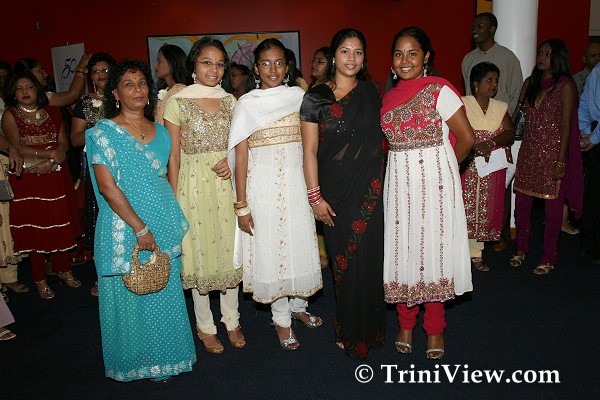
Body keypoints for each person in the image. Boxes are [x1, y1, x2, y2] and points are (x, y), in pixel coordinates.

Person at [86, 59, 195, 382]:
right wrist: (139, 227)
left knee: (163, 291)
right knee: (129, 297)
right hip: (124, 225)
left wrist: (169, 220)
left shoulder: (161, 132)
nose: (137, 89)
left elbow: (168, 178)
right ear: (115, 93)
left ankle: (166, 361)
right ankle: (134, 362)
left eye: (142, 83)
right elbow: (107, 187)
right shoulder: (103, 133)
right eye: (128, 84)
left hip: (162, 219)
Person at [381, 27, 474, 360]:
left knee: (434, 252)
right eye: (398, 54)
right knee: (403, 252)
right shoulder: (387, 97)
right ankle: (405, 324)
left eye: (413, 53)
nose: (405, 60)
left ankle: (434, 327)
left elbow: (467, 139)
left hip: (435, 187)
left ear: (426, 57)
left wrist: (443, 172)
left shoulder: (440, 90)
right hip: (399, 187)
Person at [229, 38, 323, 351]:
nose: (273, 69)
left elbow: (311, 147)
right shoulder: (247, 104)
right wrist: (242, 205)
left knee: (298, 245)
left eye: (279, 63)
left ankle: (299, 307)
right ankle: (281, 319)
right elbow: (240, 156)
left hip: (297, 186)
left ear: (287, 66)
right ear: (256, 68)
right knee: (272, 251)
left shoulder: (299, 97)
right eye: (266, 63)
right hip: (262, 188)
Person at [301, 28, 386, 359]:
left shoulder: (373, 93)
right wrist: (315, 198)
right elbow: (309, 151)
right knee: (344, 264)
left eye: (358, 52)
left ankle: (371, 329)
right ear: (334, 56)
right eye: (345, 51)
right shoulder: (316, 97)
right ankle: (349, 329)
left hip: (370, 190)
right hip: (334, 194)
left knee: (370, 261)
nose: (352, 58)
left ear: (364, 58)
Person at [163, 37, 244, 354]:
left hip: (225, 187)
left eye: (220, 64)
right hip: (192, 187)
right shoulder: (178, 101)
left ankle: (232, 320)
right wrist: (173, 201)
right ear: (193, 65)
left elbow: (241, 147)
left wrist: (231, 160)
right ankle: (205, 326)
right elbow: (173, 156)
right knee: (198, 253)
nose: (214, 69)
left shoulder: (231, 102)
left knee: (228, 251)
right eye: (207, 62)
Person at [2, 71, 82, 299]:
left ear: (37, 89)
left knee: (59, 221)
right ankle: (39, 278)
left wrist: (51, 161)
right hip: (26, 177)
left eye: (29, 87)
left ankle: (63, 269)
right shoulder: (10, 115)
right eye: (19, 88)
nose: (25, 92)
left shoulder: (53, 111)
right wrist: (47, 155)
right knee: (34, 227)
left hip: (54, 173)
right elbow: (15, 147)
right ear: (13, 93)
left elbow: (64, 143)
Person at [511, 39, 583, 275]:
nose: (541, 57)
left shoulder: (565, 86)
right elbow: (517, 115)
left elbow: (566, 126)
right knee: (522, 206)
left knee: (552, 211)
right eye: (540, 53)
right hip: (529, 152)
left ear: (558, 57)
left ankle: (548, 256)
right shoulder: (530, 83)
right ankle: (521, 248)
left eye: (547, 54)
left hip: (552, 155)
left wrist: (561, 161)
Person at [462, 12, 523, 253]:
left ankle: (501, 235)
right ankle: (469, 241)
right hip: (474, 128)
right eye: (473, 25)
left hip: (499, 127)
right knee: (469, 192)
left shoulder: (508, 58)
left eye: (480, 26)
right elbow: (468, 95)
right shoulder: (468, 59)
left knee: (499, 191)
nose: (475, 29)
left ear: (492, 28)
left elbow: (515, 95)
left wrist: (500, 127)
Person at [461, 62, 515, 272]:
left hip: (490, 165)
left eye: (496, 81)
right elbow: (455, 131)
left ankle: (477, 253)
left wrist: (490, 142)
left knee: (485, 207)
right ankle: (461, 253)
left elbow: (509, 133)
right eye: (489, 80)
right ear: (476, 84)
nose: (494, 85)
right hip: (468, 162)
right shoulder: (463, 104)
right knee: (465, 206)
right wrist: (474, 145)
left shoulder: (500, 107)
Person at [70, 53, 116, 296]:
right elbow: (75, 138)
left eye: (105, 70)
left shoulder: (123, 97)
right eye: (96, 71)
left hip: (124, 167)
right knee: (101, 223)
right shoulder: (85, 103)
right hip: (96, 169)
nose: (101, 75)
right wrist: (99, 133)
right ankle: (102, 278)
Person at [578, 62, 600, 263]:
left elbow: (584, 103)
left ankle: (589, 244)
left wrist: (588, 135)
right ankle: (592, 245)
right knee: (594, 191)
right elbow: (584, 103)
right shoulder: (596, 71)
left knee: (594, 191)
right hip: (595, 135)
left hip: (594, 134)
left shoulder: (596, 71)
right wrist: (589, 135)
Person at [154, 44, 189, 124]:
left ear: (172, 62)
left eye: (159, 61)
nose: (155, 65)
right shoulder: (167, 90)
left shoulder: (181, 91)